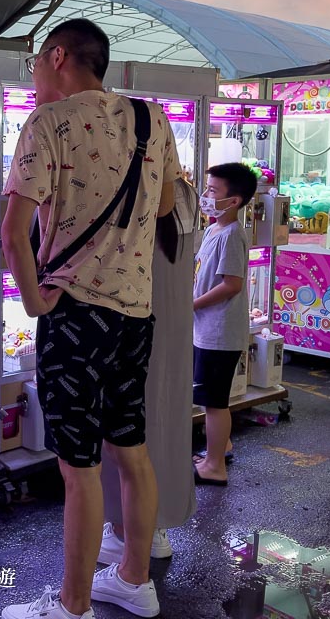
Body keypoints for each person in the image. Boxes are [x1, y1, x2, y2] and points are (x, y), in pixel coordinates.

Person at [0, 18, 181, 619]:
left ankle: (71, 607)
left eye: (34, 66)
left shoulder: (48, 124)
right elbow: (163, 208)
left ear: (57, 57)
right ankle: (134, 581)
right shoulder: (154, 119)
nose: (33, 79)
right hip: (136, 313)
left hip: (75, 316)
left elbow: (13, 234)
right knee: (131, 449)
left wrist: (32, 301)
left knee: (79, 470)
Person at [99, 176, 199, 565]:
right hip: (175, 326)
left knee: (126, 432)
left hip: (132, 325)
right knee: (167, 423)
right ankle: (156, 529)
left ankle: (126, 531)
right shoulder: (185, 194)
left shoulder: (127, 186)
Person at [191, 162, 259, 487]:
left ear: (233, 201)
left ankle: (215, 465)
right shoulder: (213, 228)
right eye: (206, 189)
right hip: (206, 328)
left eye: (213, 191)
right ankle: (218, 449)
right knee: (210, 398)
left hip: (219, 333)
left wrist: (191, 304)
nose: (205, 196)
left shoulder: (232, 234)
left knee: (215, 402)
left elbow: (231, 284)